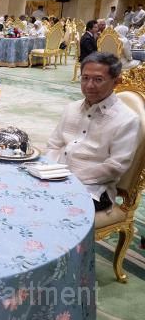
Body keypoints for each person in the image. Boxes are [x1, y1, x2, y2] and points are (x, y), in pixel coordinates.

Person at [45, 52, 141, 211]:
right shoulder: (71, 108)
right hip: (55, 178)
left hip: (93, 190)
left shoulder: (127, 120)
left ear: (116, 81)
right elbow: (53, 146)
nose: (89, 85)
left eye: (98, 79)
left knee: (47, 209)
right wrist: (49, 172)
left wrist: (69, 179)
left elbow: (115, 166)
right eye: (85, 78)